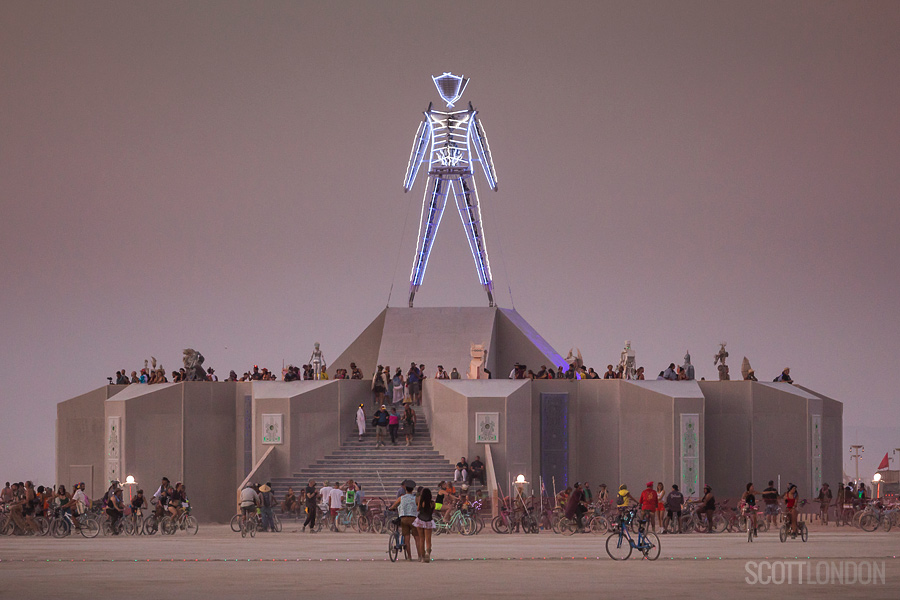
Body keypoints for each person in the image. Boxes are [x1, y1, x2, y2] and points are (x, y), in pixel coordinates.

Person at [389, 483, 422, 561]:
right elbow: (419, 506)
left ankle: (409, 557)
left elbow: (394, 506)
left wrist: (391, 508)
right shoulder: (416, 498)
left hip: (403, 519)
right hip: (413, 518)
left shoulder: (401, 498)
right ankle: (420, 556)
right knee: (417, 538)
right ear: (412, 490)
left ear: (406, 489)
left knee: (406, 538)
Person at [413, 487, 435, 562]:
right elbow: (432, 512)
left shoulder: (421, 502)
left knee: (421, 539)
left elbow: (418, 509)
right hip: (428, 520)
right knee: (428, 540)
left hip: (420, 520)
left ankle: (422, 557)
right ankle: (428, 553)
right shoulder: (432, 503)